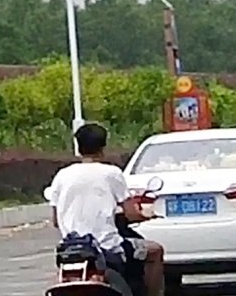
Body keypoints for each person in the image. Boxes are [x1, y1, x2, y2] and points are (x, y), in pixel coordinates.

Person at [45, 122, 162, 296]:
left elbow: (55, 221)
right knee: (155, 251)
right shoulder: (111, 173)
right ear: (103, 147)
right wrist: (147, 214)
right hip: (107, 247)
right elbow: (131, 214)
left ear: (78, 147)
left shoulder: (62, 175)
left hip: (69, 250)